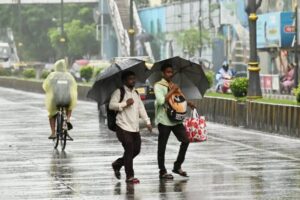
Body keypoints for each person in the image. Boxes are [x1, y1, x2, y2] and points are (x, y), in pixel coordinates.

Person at [109, 71, 152, 184]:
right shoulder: (119, 92)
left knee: (136, 150)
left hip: (134, 127)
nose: (133, 80)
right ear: (124, 80)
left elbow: (141, 108)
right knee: (129, 149)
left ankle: (117, 164)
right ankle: (130, 176)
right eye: (130, 79)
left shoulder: (136, 93)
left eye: (134, 78)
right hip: (122, 126)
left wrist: (147, 121)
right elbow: (111, 105)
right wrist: (125, 104)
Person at [154, 64, 195, 180]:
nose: (170, 74)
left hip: (176, 119)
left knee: (186, 140)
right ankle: (162, 171)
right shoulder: (158, 85)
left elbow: (180, 99)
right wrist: (172, 90)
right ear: (163, 73)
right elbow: (161, 101)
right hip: (164, 120)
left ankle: (177, 166)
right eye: (167, 72)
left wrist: (189, 102)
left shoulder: (174, 85)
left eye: (171, 72)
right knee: (162, 146)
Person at [43, 59, 77, 140]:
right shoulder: (69, 76)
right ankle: (68, 119)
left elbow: (45, 87)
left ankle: (53, 133)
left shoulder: (52, 76)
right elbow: (74, 87)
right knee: (70, 106)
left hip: (55, 101)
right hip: (67, 100)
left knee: (51, 115)